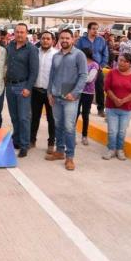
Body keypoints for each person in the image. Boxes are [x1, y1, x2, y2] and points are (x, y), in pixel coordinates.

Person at [45, 29, 88, 171]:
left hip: (70, 96)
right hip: (56, 96)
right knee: (58, 125)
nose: (64, 40)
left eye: (67, 38)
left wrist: (74, 93)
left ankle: (70, 157)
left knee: (69, 128)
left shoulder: (79, 55)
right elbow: (52, 75)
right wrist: (49, 93)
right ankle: (59, 151)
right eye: (62, 38)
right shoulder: (56, 55)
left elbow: (83, 76)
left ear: (73, 39)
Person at [6, 23, 39, 158]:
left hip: (23, 86)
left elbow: (34, 71)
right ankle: (17, 141)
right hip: (10, 86)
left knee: (24, 117)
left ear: (27, 34)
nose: (19, 34)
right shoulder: (10, 47)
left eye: (22, 32)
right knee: (14, 117)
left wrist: (28, 87)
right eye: (17, 32)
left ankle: (25, 145)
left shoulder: (31, 49)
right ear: (14, 33)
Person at [103, 53, 131, 160]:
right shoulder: (112, 73)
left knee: (122, 131)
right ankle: (111, 149)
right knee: (112, 130)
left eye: (125, 61)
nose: (121, 63)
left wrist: (123, 101)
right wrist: (115, 99)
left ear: (130, 64)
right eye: (120, 60)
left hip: (127, 109)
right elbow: (107, 88)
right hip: (111, 107)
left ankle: (120, 150)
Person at [30, 31, 57, 153]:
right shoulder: (35, 53)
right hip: (35, 91)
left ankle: (51, 143)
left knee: (51, 119)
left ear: (53, 41)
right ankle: (32, 140)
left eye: (48, 39)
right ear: (40, 40)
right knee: (34, 117)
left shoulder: (57, 55)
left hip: (50, 93)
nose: (45, 41)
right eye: (43, 38)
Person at [76, 22, 109, 117]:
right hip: (85, 68)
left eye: (96, 29)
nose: (95, 31)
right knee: (85, 88)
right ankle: (86, 108)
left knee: (99, 88)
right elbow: (78, 53)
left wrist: (101, 66)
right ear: (88, 30)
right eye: (93, 28)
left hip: (98, 68)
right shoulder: (81, 40)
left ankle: (101, 109)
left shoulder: (101, 40)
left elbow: (105, 54)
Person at [76, 48, 99, 146]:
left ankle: (84, 136)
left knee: (85, 114)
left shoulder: (94, 65)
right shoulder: (80, 63)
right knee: (75, 113)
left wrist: (79, 78)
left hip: (88, 93)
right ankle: (71, 135)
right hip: (77, 91)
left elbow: (90, 79)